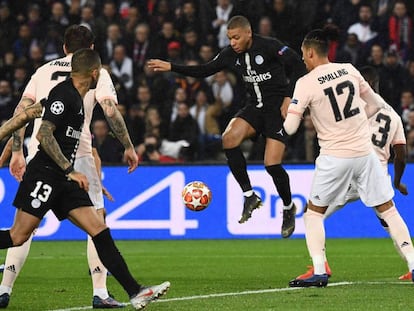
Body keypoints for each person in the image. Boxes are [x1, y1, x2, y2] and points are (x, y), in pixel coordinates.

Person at [0, 48, 170, 309]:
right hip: (45, 175)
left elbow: (24, 116)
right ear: (94, 73)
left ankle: (135, 291)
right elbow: (44, 136)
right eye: (100, 72)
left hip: (64, 179)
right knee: (17, 236)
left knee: (99, 229)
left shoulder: (78, 98)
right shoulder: (64, 96)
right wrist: (70, 170)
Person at [148, 15, 306, 238]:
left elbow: (298, 65)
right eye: (230, 38)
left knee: (271, 165)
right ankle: (249, 195)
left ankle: (289, 208)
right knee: (228, 138)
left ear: (248, 33)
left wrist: (290, 97)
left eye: (236, 37)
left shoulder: (270, 46)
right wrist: (172, 66)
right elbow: (205, 69)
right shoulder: (230, 54)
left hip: (276, 110)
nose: (233, 42)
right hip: (254, 108)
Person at [284, 29, 414, 287]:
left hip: (334, 157)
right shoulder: (350, 70)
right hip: (366, 155)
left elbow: (289, 128)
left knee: (314, 214)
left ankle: (320, 270)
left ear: (310, 52)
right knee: (388, 211)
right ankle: (413, 263)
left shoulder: (306, 82)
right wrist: (352, 123)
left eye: (303, 54)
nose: (302, 59)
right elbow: (376, 105)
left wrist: (293, 112)